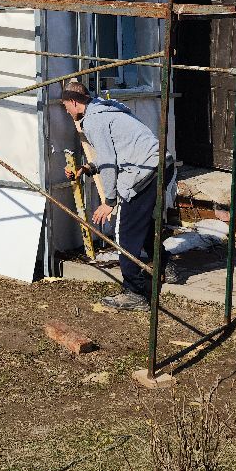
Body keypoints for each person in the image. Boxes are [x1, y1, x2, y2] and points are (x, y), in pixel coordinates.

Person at [59, 78, 166, 311]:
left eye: (65, 105)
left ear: (75, 103)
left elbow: (109, 163)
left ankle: (135, 293)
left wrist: (109, 201)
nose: (65, 110)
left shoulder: (94, 121)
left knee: (125, 232)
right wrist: (87, 168)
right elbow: (116, 151)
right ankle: (164, 266)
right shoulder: (107, 108)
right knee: (143, 223)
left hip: (143, 171)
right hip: (158, 164)